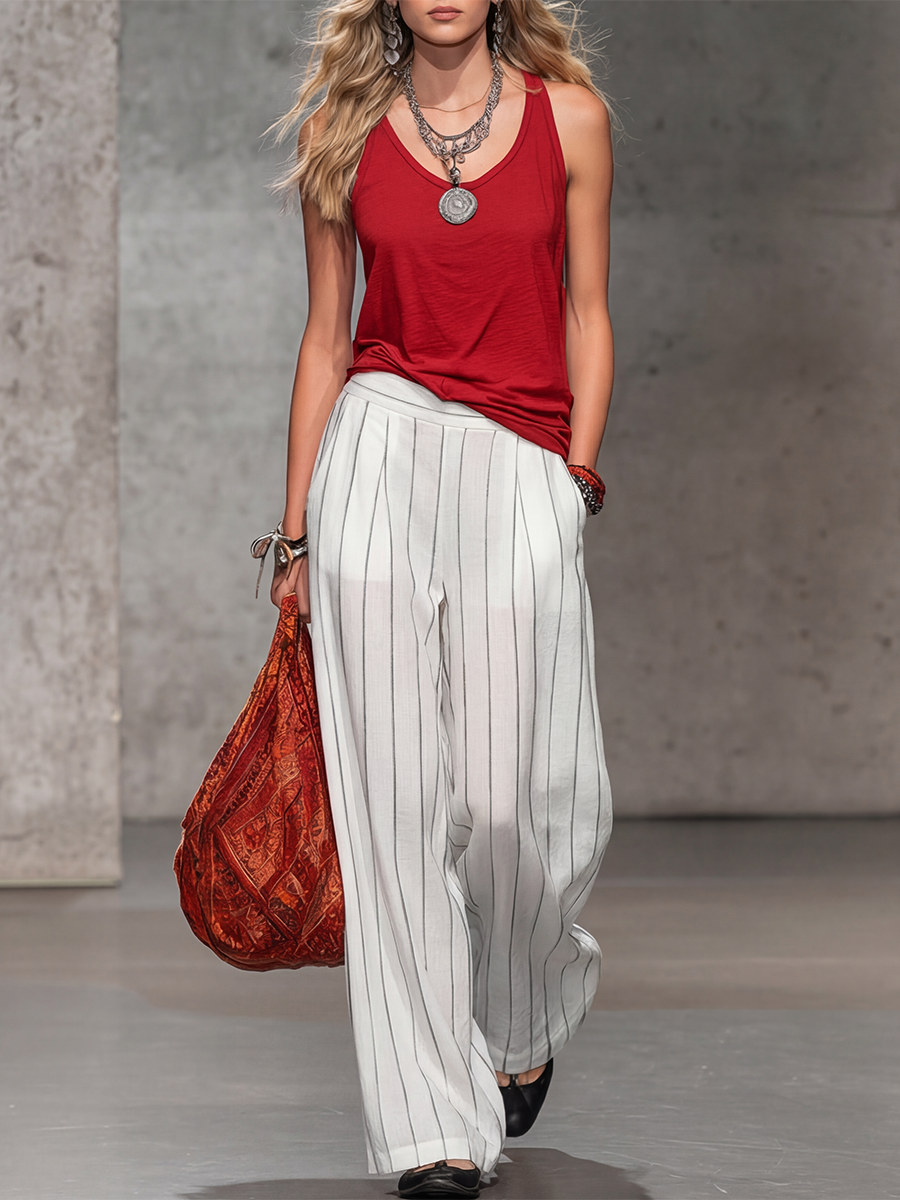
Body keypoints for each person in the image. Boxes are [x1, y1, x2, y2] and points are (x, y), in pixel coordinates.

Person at [263, 0, 614, 1194]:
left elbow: (587, 310)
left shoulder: (570, 119)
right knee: (394, 805)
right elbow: (326, 337)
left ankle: (519, 1014)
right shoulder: (340, 126)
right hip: (378, 447)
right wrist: (297, 532)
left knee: (516, 801)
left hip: (521, 460)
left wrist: (574, 479)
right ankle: (431, 1128)